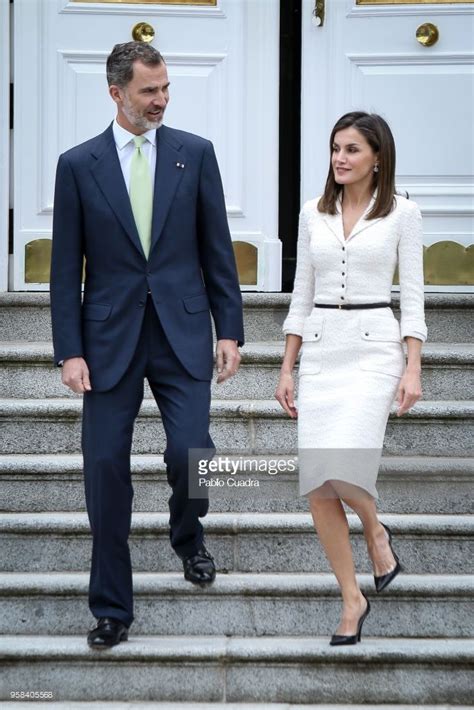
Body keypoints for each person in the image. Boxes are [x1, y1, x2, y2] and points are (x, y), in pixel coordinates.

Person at [50, 42, 244, 648]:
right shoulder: (77, 165)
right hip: (107, 339)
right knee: (105, 471)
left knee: (194, 452)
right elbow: (64, 269)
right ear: (117, 93)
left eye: (165, 90)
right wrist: (69, 349)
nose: (160, 100)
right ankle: (112, 608)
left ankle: (189, 538)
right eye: (148, 91)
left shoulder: (195, 154)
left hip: (183, 331)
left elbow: (218, 247)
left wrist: (230, 328)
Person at [275, 111, 426, 646]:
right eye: (336, 148)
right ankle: (351, 597)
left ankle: (374, 527)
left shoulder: (404, 215)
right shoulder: (312, 212)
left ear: (377, 157)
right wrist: (287, 366)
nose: (340, 158)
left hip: (373, 351)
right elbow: (300, 292)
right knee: (318, 486)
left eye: (352, 149)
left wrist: (413, 365)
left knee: (343, 467)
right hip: (319, 349)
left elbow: (411, 296)